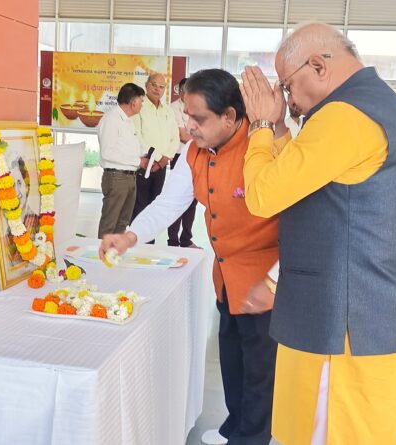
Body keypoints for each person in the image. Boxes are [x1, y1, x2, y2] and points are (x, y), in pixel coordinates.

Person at [240, 23, 396, 444]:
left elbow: (264, 194)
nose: (287, 101)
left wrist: (260, 127)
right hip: (364, 313)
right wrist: (283, 132)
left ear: (319, 66)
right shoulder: (368, 103)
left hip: (343, 327)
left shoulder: (345, 115)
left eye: (288, 87)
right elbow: (316, 184)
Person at [100, 69, 280, 445]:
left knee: (261, 371)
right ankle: (236, 425)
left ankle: (252, 437)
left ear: (230, 116)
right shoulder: (195, 150)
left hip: (265, 283)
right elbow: (171, 201)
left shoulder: (264, 146)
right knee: (232, 356)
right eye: (187, 115)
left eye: (198, 119)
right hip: (226, 276)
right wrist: (130, 235)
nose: (189, 126)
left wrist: (275, 280)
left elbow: (297, 222)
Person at [131, 72, 180, 243]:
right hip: (144, 164)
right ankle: (138, 243)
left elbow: (175, 138)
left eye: (161, 87)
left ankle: (150, 245)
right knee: (140, 205)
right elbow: (137, 135)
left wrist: (164, 159)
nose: (157, 89)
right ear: (146, 85)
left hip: (161, 166)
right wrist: (157, 158)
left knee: (155, 206)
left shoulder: (168, 110)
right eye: (154, 85)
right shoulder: (139, 107)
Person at [96, 83, 146, 238]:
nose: (142, 104)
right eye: (141, 100)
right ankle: (102, 258)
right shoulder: (111, 119)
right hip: (116, 177)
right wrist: (138, 162)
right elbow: (107, 153)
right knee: (109, 222)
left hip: (130, 176)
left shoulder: (129, 121)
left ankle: (114, 256)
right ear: (133, 102)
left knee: (123, 222)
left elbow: (126, 148)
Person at [167, 77, 199, 248]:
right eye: (186, 90)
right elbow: (183, 135)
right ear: (179, 91)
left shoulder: (197, 106)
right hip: (180, 157)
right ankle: (172, 240)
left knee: (193, 200)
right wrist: (201, 137)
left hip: (196, 155)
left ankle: (186, 239)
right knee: (177, 199)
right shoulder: (173, 109)